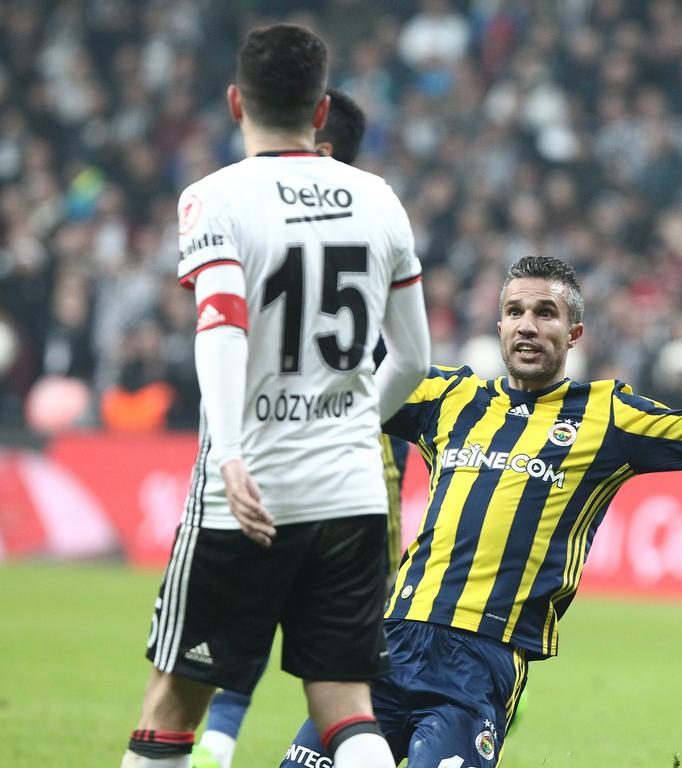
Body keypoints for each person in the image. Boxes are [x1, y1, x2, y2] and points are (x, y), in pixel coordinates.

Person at [280, 230, 682, 767]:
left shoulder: (609, 416)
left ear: (574, 332)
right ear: (499, 326)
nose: (528, 326)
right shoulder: (450, 396)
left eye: (545, 313)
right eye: (514, 312)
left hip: (479, 661)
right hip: (388, 642)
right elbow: (346, 375)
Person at [120, 24, 430, 768]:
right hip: (352, 494)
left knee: (172, 702)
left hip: (248, 493)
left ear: (235, 103)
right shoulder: (379, 199)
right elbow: (415, 359)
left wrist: (230, 453)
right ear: (323, 111)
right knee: (345, 706)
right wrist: (354, 424)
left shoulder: (214, 198)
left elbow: (221, 324)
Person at [189, 88, 411, 768]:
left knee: (235, 624)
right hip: (359, 465)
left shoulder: (258, 211)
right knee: (347, 682)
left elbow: (225, 331)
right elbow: (417, 357)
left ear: (322, 144)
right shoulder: (378, 214)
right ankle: (227, 745)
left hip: (277, 447)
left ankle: (213, 746)